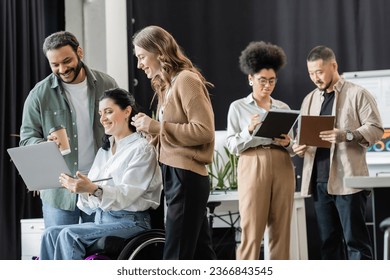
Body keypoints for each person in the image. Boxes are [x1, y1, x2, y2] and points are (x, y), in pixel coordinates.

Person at [39, 88, 163, 260]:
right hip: (102, 220)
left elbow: (127, 194)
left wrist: (94, 189)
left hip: (131, 222)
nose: (102, 118)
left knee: (69, 235)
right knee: (50, 234)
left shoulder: (142, 149)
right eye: (100, 113)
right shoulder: (104, 151)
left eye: (109, 112)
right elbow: (89, 205)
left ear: (127, 111)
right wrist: (82, 188)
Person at [131, 25, 217, 260]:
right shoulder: (167, 85)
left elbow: (204, 131)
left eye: (141, 57)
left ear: (158, 51)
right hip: (177, 174)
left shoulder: (186, 80)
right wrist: (153, 135)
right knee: (200, 253)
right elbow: (175, 134)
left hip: (186, 177)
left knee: (176, 254)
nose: (139, 65)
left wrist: (157, 127)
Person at [293, 45, 384, 260]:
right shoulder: (309, 99)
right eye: (310, 73)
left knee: (356, 243)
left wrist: (347, 135)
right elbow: (301, 137)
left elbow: (376, 129)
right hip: (319, 182)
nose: (315, 77)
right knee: (328, 244)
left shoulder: (357, 93)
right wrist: (299, 147)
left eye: (319, 71)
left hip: (348, 181)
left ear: (333, 66)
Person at [19, 31, 118, 228]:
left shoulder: (107, 84)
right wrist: (44, 146)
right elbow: (26, 138)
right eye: (55, 65)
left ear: (79, 52)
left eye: (67, 61)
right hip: (60, 192)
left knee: (99, 255)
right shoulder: (39, 94)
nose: (62, 69)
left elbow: (123, 126)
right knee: (60, 254)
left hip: (99, 185)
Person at [226, 41, 296, 260]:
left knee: (281, 230)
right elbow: (231, 145)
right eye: (262, 80)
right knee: (251, 230)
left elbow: (293, 146)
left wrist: (287, 143)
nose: (267, 85)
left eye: (272, 80)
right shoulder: (238, 107)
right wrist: (249, 129)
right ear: (250, 79)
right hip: (252, 162)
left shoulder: (282, 108)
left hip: (282, 163)